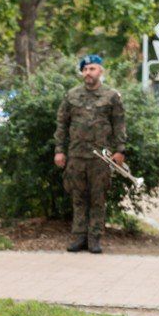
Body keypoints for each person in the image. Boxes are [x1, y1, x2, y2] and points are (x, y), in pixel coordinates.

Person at [52, 53, 126, 252]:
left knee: (98, 198)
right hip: (76, 155)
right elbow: (61, 124)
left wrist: (120, 151)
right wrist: (59, 150)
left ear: (100, 71)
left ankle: (94, 238)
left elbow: (119, 125)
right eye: (85, 69)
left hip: (100, 157)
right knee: (78, 197)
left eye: (92, 69)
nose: (88, 73)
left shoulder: (111, 96)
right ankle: (78, 237)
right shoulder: (72, 95)